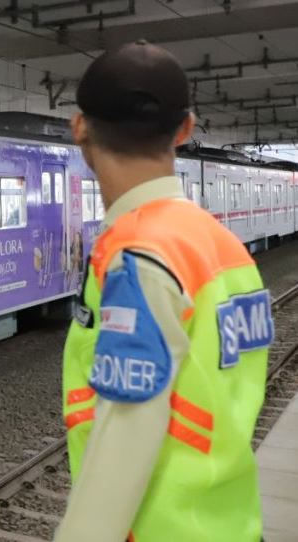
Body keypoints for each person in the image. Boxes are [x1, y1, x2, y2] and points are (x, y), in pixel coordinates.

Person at [56, 41, 270, 542]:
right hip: (232, 522)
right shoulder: (222, 246)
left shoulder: (138, 253)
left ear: (79, 127)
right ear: (186, 128)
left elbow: (128, 427)